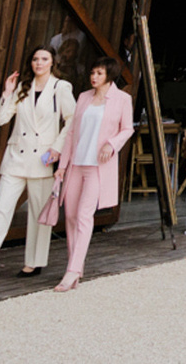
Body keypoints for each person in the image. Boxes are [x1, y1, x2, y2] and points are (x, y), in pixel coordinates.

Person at [0, 48, 75, 281]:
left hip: (44, 159)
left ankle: (34, 262)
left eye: (44, 59)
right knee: (0, 209)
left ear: (52, 62)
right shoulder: (22, 87)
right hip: (16, 156)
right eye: (35, 59)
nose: (39, 63)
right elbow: (0, 119)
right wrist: (7, 93)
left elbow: (72, 121)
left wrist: (57, 148)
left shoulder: (60, 87)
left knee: (38, 213)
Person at [49, 57, 133, 292]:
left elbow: (128, 128)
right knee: (70, 217)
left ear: (109, 75)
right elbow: (71, 132)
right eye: (92, 73)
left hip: (98, 167)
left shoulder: (122, 99)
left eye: (99, 73)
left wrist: (112, 144)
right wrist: (62, 165)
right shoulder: (84, 97)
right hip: (76, 164)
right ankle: (76, 267)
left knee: (84, 216)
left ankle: (72, 271)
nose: (94, 77)